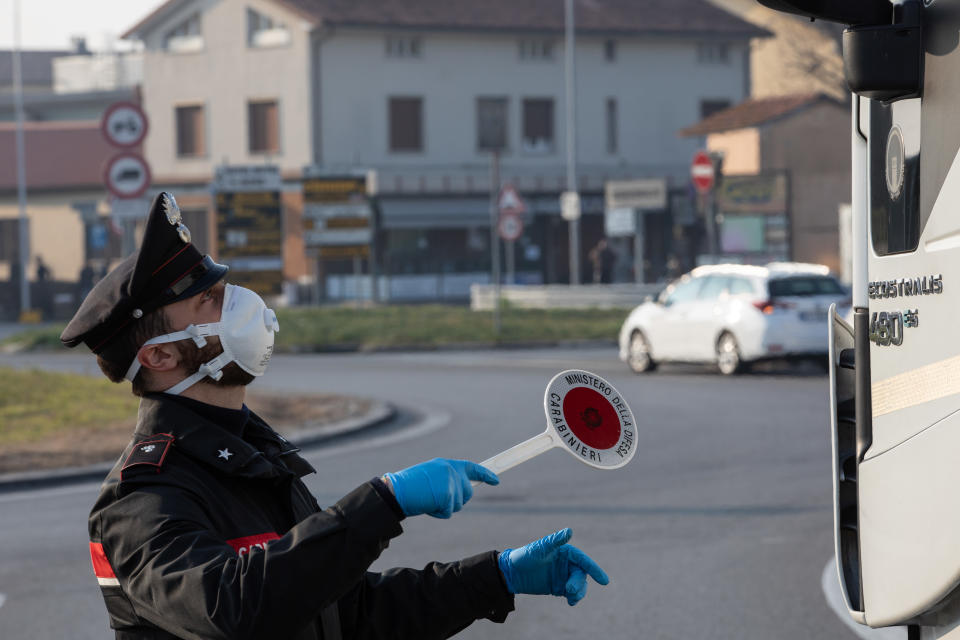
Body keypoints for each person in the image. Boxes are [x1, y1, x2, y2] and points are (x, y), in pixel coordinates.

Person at [61, 192, 609, 640]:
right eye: (212, 301)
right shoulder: (142, 500)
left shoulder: (255, 460)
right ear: (160, 355)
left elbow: (348, 615)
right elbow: (234, 608)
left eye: (225, 290)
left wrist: (497, 577)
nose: (240, 307)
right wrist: (383, 501)